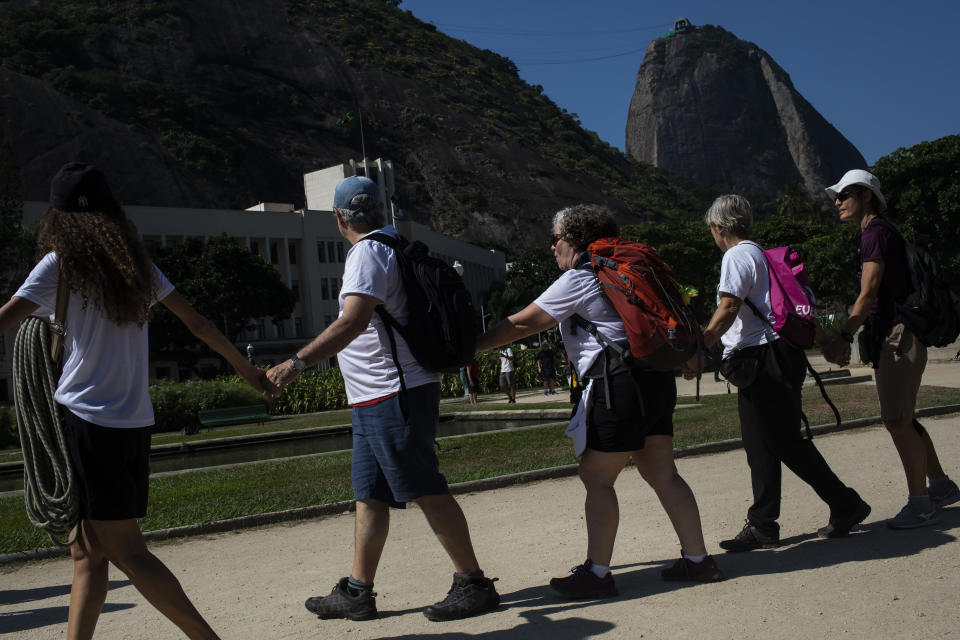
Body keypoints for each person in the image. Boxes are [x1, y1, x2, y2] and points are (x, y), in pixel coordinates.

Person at [0, 162, 274, 640]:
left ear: (56, 217)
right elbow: (199, 324)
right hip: (131, 423)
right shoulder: (136, 266)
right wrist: (244, 368)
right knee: (87, 553)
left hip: (87, 421)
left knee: (128, 552)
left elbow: (3, 321)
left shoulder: (59, 265)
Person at [266, 176, 499, 621]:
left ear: (339, 218)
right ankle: (357, 591)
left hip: (395, 392)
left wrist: (293, 364)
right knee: (370, 495)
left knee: (426, 488)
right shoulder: (394, 244)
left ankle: (474, 583)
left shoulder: (368, 251)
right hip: (380, 395)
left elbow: (353, 321)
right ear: (382, 211)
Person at [476, 203, 724, 599]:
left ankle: (597, 573)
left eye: (554, 239)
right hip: (655, 378)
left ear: (572, 239)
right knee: (663, 472)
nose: (551, 248)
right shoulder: (628, 268)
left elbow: (525, 322)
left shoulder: (583, 275)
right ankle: (699, 561)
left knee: (596, 476)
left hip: (616, 383)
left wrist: (470, 348)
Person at [685, 194, 870, 552]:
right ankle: (763, 524)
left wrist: (702, 345)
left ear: (719, 227)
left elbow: (728, 306)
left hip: (761, 358)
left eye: (711, 228)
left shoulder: (736, 255)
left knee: (781, 441)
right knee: (762, 444)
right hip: (777, 355)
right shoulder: (763, 256)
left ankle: (845, 504)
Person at [821, 170, 959, 527]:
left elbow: (867, 294)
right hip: (899, 335)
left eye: (845, 194)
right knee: (904, 419)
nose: (838, 202)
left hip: (899, 336)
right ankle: (941, 487)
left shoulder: (875, 234)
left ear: (866, 196)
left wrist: (844, 335)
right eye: (837, 196)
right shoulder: (880, 233)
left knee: (896, 420)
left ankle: (921, 503)